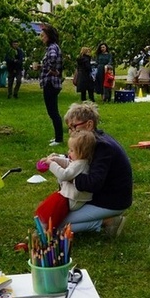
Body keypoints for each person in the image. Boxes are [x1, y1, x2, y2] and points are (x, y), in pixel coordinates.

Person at [61, 102, 132, 237]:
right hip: (103, 196)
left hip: (111, 201)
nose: (71, 132)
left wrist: (68, 176)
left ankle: (106, 222)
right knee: (55, 219)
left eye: (74, 127)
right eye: (69, 128)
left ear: (89, 125)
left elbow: (93, 183)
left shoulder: (101, 147)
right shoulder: (94, 141)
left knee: (58, 223)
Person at [34, 130, 96, 229]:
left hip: (73, 199)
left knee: (53, 210)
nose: (68, 152)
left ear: (82, 152)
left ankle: (46, 228)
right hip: (68, 196)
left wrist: (51, 164)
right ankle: (45, 227)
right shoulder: (79, 161)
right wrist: (55, 159)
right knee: (51, 205)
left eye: (71, 150)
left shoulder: (80, 164)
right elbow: (68, 163)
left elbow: (64, 175)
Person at [39, 24, 64, 146]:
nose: (41, 38)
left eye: (43, 36)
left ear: (48, 36)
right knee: (53, 111)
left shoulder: (52, 48)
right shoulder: (53, 47)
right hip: (52, 82)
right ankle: (57, 137)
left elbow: (53, 59)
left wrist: (50, 69)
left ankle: (59, 139)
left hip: (51, 83)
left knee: (53, 112)